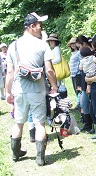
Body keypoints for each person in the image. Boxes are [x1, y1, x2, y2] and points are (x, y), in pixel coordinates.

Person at [6, 12, 58, 166]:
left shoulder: (13, 45)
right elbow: (49, 70)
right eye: (39, 26)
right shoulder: (42, 45)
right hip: (38, 90)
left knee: (19, 122)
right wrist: (54, 87)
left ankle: (16, 153)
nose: (41, 29)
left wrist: (8, 92)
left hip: (19, 90)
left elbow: (9, 72)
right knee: (39, 124)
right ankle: (40, 158)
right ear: (31, 27)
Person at [76, 35, 93, 133]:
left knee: (86, 103)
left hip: (89, 83)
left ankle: (89, 125)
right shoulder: (86, 55)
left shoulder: (90, 56)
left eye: (79, 47)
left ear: (84, 44)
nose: (79, 50)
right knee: (84, 103)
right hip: (84, 82)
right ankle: (87, 124)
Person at [67, 37, 82, 110]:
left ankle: (80, 104)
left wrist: (77, 70)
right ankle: (79, 104)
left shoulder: (79, 52)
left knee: (78, 89)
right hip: (73, 74)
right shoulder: (73, 53)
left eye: (74, 43)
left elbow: (81, 61)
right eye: (71, 44)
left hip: (77, 74)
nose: (72, 45)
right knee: (75, 89)